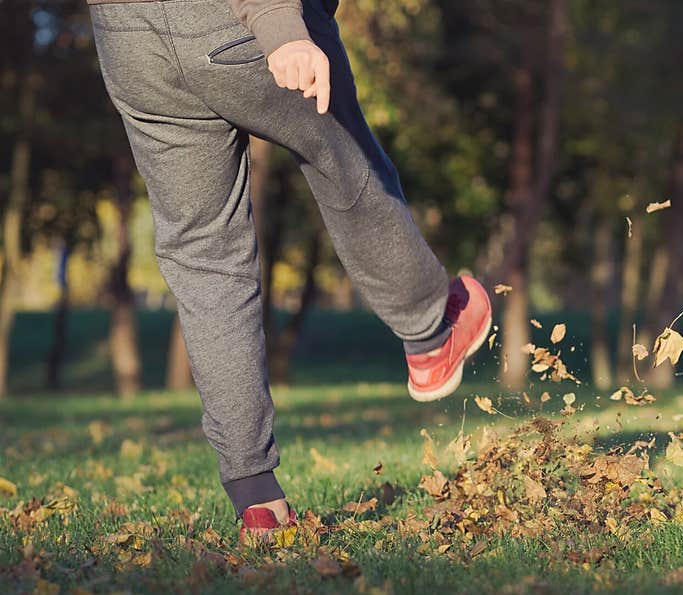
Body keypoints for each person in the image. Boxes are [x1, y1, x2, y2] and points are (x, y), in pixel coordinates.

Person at [86, 0, 492, 542]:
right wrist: (281, 26)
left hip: (129, 44)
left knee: (202, 253)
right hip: (234, 24)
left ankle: (257, 499)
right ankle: (428, 333)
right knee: (345, 162)